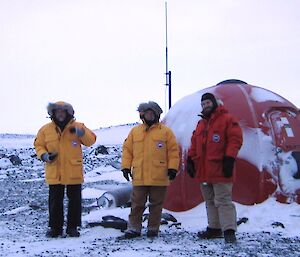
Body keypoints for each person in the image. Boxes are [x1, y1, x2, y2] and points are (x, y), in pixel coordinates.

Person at [34, 101, 96, 238]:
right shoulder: (45, 129)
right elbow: (38, 145)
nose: (60, 114)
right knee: (55, 200)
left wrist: (81, 133)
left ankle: (72, 228)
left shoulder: (78, 126)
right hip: (54, 170)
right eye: (57, 112)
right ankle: (55, 228)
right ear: (53, 113)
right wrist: (44, 155)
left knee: (74, 200)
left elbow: (91, 141)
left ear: (68, 113)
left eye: (63, 112)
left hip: (73, 170)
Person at [187, 93, 243, 243]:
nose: (206, 106)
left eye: (208, 103)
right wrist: (190, 160)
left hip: (221, 168)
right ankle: (214, 228)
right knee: (210, 201)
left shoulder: (227, 119)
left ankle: (229, 230)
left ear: (215, 103)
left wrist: (229, 158)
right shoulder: (201, 124)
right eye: (203, 104)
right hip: (204, 171)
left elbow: (235, 139)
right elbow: (194, 143)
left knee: (223, 200)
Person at [121, 101, 179, 238]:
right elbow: (127, 150)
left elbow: (173, 151)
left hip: (159, 175)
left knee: (156, 205)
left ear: (157, 114)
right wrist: (125, 167)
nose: (150, 115)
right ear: (142, 115)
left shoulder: (166, 132)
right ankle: (134, 228)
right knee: (137, 204)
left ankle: (153, 228)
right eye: (147, 113)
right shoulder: (135, 132)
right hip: (140, 175)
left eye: (152, 113)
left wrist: (172, 168)